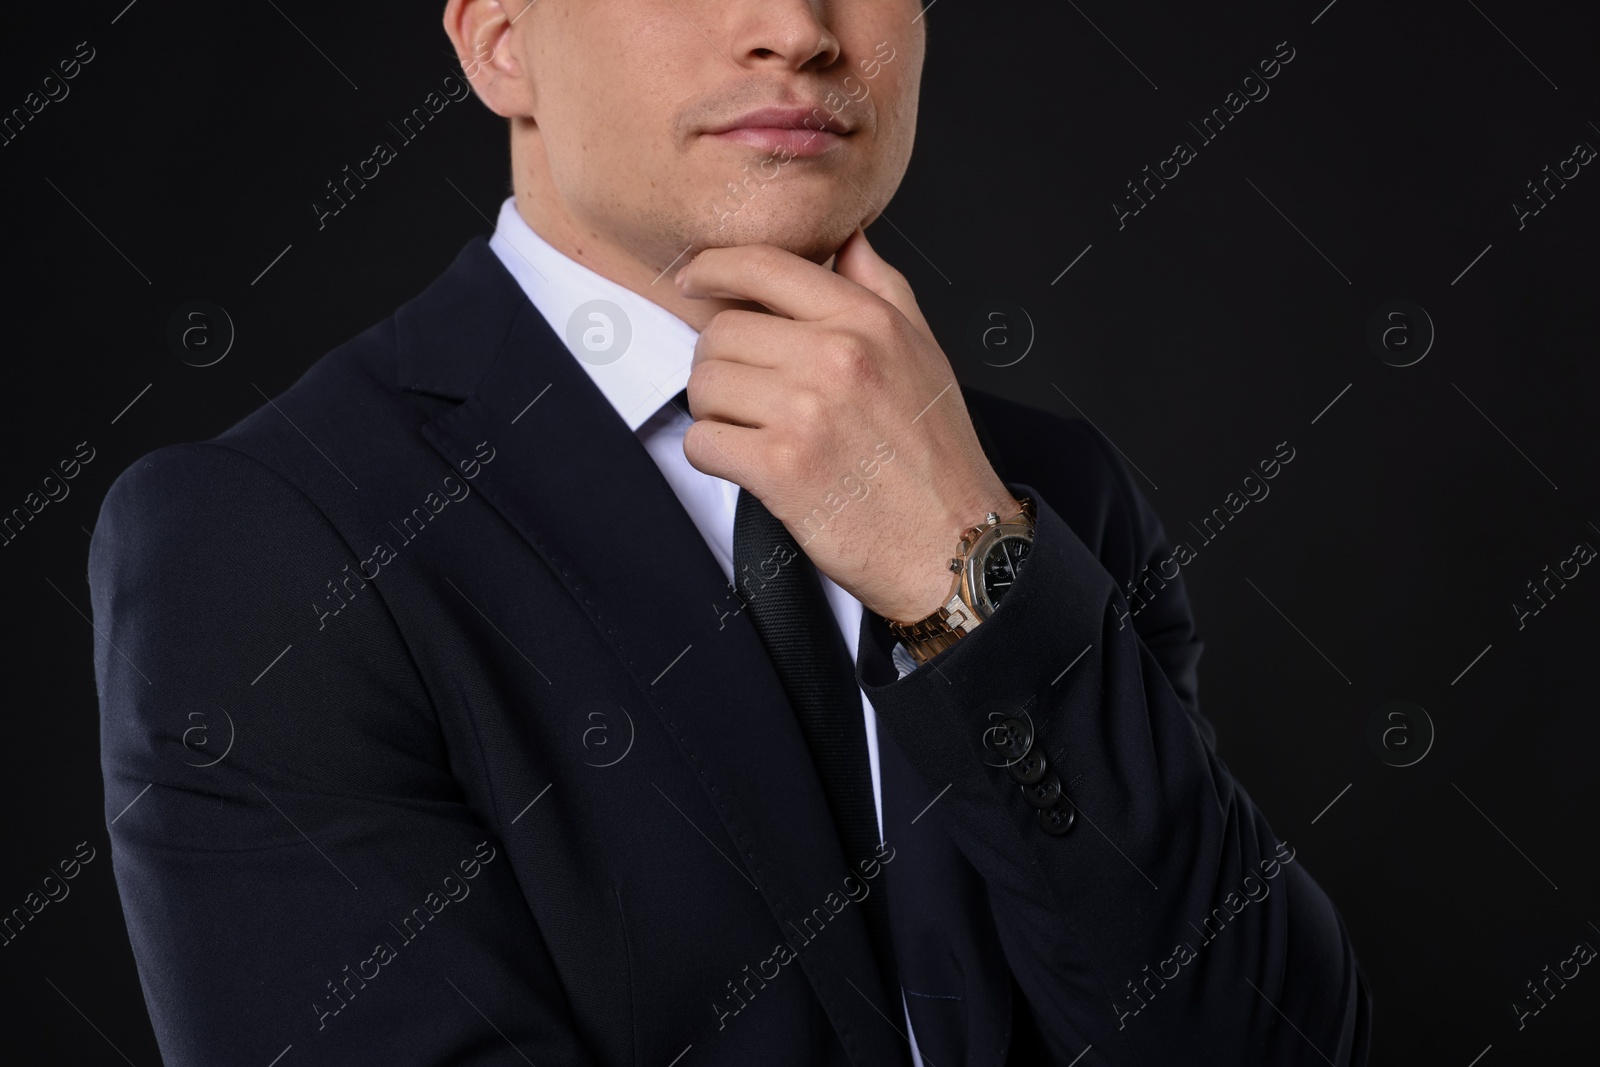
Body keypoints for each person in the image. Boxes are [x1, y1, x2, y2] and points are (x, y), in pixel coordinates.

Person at [88, 1, 1371, 1063]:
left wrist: (964, 571)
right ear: (498, 43)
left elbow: (1274, 1045)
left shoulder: (1043, 492)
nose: (795, 29)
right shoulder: (261, 543)